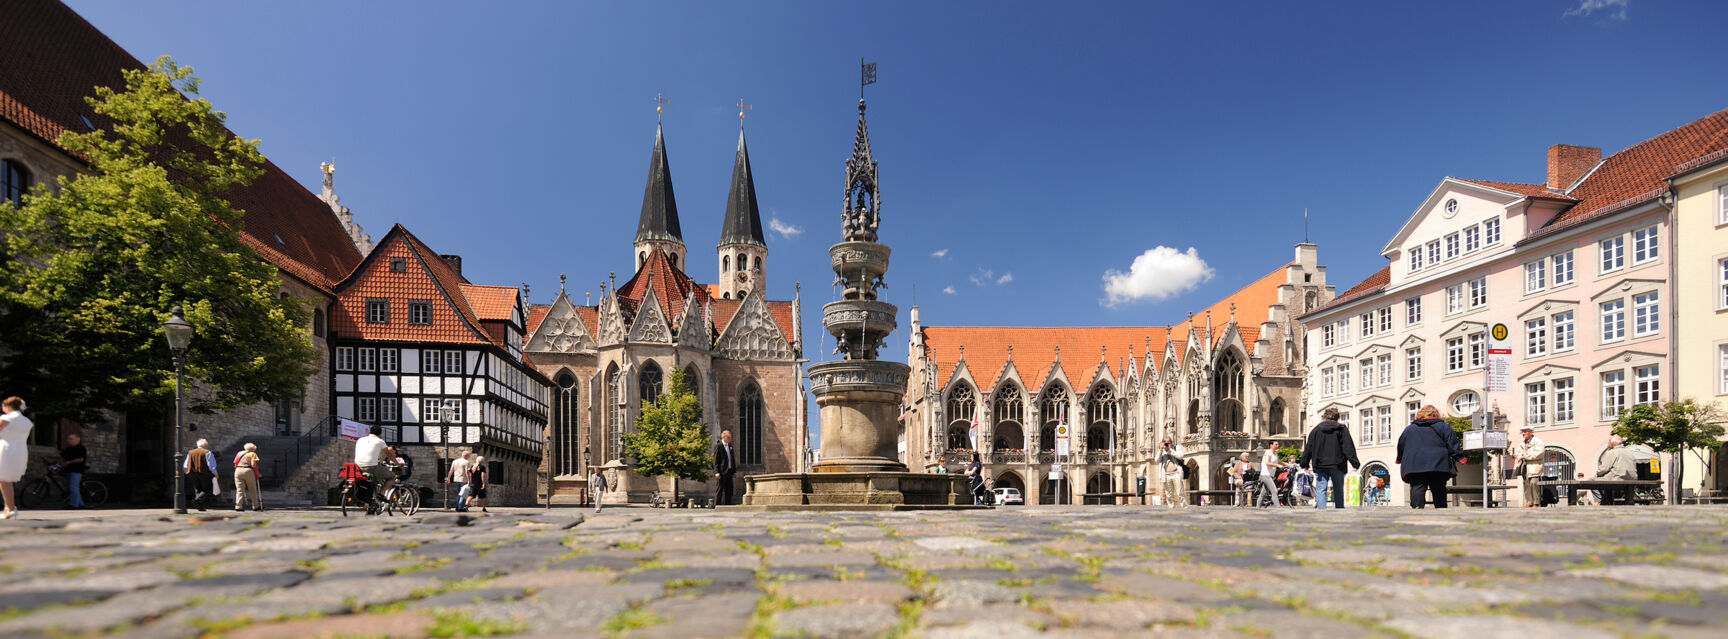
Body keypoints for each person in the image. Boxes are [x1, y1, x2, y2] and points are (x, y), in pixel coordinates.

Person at [1396, 405, 1466, 509]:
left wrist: (1399, 458)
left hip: (1415, 463)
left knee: (1417, 487)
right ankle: (1441, 509)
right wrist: (1460, 457)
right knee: (1438, 488)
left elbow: (1401, 444)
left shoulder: (1409, 429)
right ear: (1436, 414)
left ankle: (1417, 510)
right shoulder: (1444, 427)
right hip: (1438, 463)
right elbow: (1452, 442)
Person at [1299, 407, 1360, 509]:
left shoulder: (1316, 430)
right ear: (1337, 418)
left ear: (1324, 417)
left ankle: (1321, 513)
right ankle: (1339, 511)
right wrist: (1354, 463)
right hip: (1337, 464)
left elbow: (1309, 447)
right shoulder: (1341, 429)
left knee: (1321, 489)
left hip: (1320, 464)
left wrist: (1304, 463)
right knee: (1338, 489)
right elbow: (1348, 447)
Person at [0, 397, 34, 519]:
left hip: (6, 449)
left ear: (7, 406)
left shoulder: (7, 418)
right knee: (6, 480)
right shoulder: (27, 421)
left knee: (3, 480)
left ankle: (9, 508)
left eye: (2, 407)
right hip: (20, 450)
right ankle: (8, 508)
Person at [354, 425, 396, 504]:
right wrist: (398, 463)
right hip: (371, 467)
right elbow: (389, 455)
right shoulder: (380, 441)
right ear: (380, 435)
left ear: (369, 432)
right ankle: (381, 494)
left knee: (374, 481)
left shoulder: (360, 440)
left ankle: (372, 504)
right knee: (391, 477)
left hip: (358, 467)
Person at [1508, 427, 1546, 508]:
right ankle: (1529, 503)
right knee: (1526, 485)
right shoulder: (1522, 443)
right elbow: (1518, 453)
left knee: (1533, 483)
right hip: (1524, 466)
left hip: (1534, 466)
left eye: (1525, 432)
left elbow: (1538, 454)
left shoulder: (1538, 442)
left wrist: (1524, 456)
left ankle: (1536, 503)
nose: (1523, 434)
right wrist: (1515, 454)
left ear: (1531, 433)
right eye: (1522, 432)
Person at [1596, 435, 1640, 504]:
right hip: (1632, 479)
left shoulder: (1611, 452)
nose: (1608, 443)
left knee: (1592, 480)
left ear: (1612, 443)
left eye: (1609, 441)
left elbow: (1604, 468)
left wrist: (1597, 473)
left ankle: (1603, 501)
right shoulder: (1630, 453)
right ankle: (1627, 501)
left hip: (1617, 478)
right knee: (1606, 481)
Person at [184, 438, 219, 511]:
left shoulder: (190, 452)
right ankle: (198, 500)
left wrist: (187, 473)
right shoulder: (207, 452)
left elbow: (185, 465)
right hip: (204, 473)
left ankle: (200, 507)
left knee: (198, 489)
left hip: (193, 474)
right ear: (205, 445)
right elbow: (211, 466)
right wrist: (215, 474)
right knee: (208, 489)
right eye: (207, 445)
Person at [60, 433, 88, 509]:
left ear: (77, 440)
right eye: (68, 438)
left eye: (71, 439)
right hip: (69, 470)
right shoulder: (68, 448)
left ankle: (74, 505)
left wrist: (68, 462)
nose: (68, 440)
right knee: (73, 487)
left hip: (77, 470)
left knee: (73, 487)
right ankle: (80, 504)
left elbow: (80, 459)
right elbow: (60, 456)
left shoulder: (81, 448)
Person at [232, 443, 262, 512]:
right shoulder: (252, 454)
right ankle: (255, 506)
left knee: (239, 490)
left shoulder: (239, 453)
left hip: (238, 470)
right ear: (252, 449)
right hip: (248, 471)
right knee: (252, 489)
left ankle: (238, 506)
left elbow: (235, 463)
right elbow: (253, 465)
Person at [1158, 440, 1187, 509]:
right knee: (1169, 494)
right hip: (1166, 475)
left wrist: (1170, 450)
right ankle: (1171, 507)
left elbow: (1180, 456)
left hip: (1176, 473)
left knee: (1180, 492)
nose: (1166, 444)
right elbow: (1157, 460)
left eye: (1168, 443)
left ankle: (1185, 507)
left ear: (1171, 443)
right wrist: (1160, 450)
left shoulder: (1177, 448)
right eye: (1165, 443)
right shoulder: (1162, 450)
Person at [714, 429, 737, 506]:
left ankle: (727, 506)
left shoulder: (730, 446)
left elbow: (732, 459)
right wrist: (717, 472)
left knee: (729, 490)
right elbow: (716, 460)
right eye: (729, 437)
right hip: (722, 472)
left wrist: (734, 471)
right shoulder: (718, 446)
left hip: (729, 471)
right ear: (724, 437)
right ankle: (717, 506)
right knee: (719, 490)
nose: (730, 439)